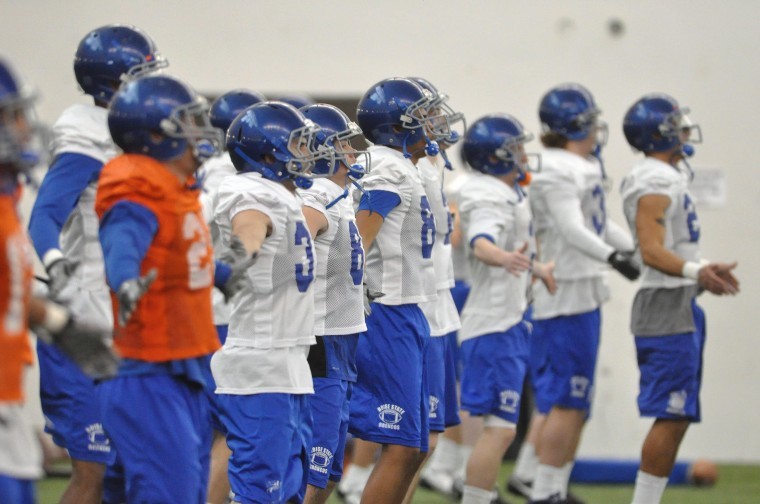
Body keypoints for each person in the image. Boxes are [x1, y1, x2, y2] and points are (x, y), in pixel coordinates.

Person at [27, 24, 167, 504]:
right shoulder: (87, 132)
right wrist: (54, 263)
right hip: (83, 322)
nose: (150, 84)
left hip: (125, 323)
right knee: (95, 470)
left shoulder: (138, 133)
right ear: (111, 83)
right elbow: (45, 213)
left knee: (128, 472)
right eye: (140, 73)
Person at [94, 74, 227, 502]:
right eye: (188, 122)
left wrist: (227, 275)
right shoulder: (137, 186)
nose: (199, 132)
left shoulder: (177, 188)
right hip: (149, 370)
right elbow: (123, 243)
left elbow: (179, 256)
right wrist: (125, 281)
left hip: (180, 365)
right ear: (157, 135)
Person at [0, 56, 116, 504]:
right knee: (98, 472)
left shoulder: (8, 201)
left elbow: (13, 290)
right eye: (10, 114)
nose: (24, 127)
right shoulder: (84, 138)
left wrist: (59, 323)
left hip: (12, 388)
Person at [619, 94, 738, 504]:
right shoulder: (655, 179)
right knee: (670, 414)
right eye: (677, 124)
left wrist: (700, 267)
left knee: (679, 414)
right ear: (660, 133)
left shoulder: (663, 176)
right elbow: (651, 252)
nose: (686, 130)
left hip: (678, 299)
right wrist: (695, 271)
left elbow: (670, 248)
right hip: (665, 304)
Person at [211, 101, 332, 503]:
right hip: (261, 365)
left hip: (288, 364)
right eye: (298, 145)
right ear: (268, 154)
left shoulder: (284, 196)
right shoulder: (251, 190)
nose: (308, 153)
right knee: (260, 494)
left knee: (288, 493)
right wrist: (237, 257)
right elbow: (249, 226)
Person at [527, 83, 639, 504]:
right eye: (590, 121)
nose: (596, 129)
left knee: (578, 402)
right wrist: (616, 257)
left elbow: (594, 225)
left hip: (583, 293)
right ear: (574, 124)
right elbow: (573, 229)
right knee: (566, 400)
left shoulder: (580, 165)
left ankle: (553, 487)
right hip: (563, 296)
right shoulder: (557, 168)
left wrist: (636, 249)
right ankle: (543, 491)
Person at [345, 77, 440, 504]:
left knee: (415, 446)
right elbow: (357, 244)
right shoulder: (387, 166)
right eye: (423, 115)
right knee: (401, 444)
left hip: (405, 309)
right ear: (399, 124)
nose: (433, 123)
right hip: (386, 311)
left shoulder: (399, 164)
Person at [457, 114, 555, 504]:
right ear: (497, 155)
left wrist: (536, 267)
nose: (524, 155)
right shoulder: (488, 194)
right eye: (516, 148)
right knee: (499, 430)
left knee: (502, 429)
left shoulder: (506, 191)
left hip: (505, 322)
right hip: (494, 325)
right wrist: (501, 257)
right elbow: (481, 240)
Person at [297, 103, 369, 503]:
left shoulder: (340, 195)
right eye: (344, 145)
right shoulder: (318, 193)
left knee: (326, 466)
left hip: (339, 338)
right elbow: (290, 253)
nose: (354, 154)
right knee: (315, 462)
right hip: (321, 339)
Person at [202, 87, 266, 504]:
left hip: (211, 310)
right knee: (231, 430)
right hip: (226, 312)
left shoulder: (205, 170)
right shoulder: (231, 179)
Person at [405, 76, 464, 504]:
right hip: (416, 303)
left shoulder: (433, 163)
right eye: (429, 113)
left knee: (430, 434)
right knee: (412, 438)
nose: (440, 120)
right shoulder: (399, 169)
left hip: (438, 301)